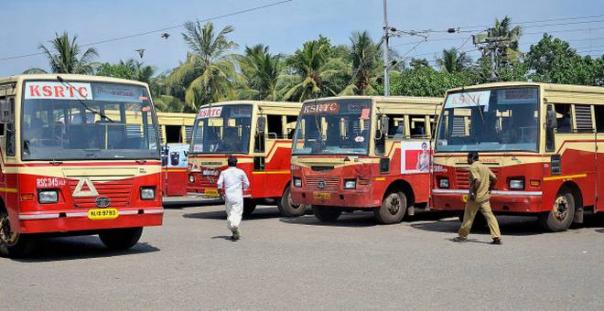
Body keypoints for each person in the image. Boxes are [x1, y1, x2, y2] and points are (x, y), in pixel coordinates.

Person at [453, 151, 502, 245]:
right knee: (490, 217)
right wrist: (490, 188)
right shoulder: (484, 167)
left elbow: (477, 180)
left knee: (468, 217)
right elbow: (494, 178)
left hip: (475, 198)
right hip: (484, 197)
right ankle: (496, 237)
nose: (467, 160)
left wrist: (473, 192)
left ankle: (462, 236)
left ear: (472, 158)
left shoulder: (473, 167)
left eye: (468, 158)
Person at [217, 156, 250, 241]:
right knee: (237, 213)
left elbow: (219, 184)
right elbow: (247, 183)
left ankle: (233, 229)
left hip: (228, 196)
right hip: (238, 196)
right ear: (236, 163)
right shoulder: (240, 172)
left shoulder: (224, 172)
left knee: (230, 213)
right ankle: (234, 226)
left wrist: (220, 193)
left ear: (228, 163)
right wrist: (244, 189)